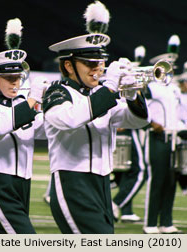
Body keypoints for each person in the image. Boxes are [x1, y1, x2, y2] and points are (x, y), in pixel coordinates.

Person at [42, 1, 150, 234]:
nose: (97, 70)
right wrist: (110, 87)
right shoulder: (57, 92)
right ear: (69, 66)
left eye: (100, 64)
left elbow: (138, 121)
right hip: (73, 183)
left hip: (102, 183)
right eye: (90, 64)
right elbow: (69, 120)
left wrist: (132, 94)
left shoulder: (100, 95)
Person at [0, 17, 48, 234]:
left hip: (22, 187)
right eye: (9, 78)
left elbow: (49, 127)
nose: (16, 83)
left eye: (18, 77)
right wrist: (32, 101)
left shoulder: (21, 105)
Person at [143, 34, 184, 234]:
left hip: (174, 138)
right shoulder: (151, 87)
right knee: (157, 180)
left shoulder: (175, 89)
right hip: (157, 138)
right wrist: (151, 123)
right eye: (166, 66)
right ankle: (150, 223)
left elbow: (179, 112)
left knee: (170, 181)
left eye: (172, 67)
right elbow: (139, 109)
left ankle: (166, 222)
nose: (170, 70)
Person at [112, 45, 148, 223]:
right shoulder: (111, 81)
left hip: (131, 125)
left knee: (125, 171)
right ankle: (116, 204)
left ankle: (125, 210)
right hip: (126, 127)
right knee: (139, 170)